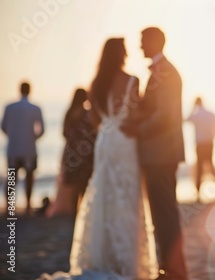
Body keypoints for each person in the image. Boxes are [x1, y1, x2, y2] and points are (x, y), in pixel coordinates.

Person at [41, 38, 159, 280]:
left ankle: (103, 255)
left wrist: (109, 124)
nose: (127, 53)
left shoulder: (95, 84)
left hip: (105, 142)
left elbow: (95, 120)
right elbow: (134, 114)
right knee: (127, 195)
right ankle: (126, 259)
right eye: (125, 50)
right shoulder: (132, 80)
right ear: (120, 54)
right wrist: (134, 121)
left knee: (104, 193)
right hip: (125, 141)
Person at [122, 27, 188, 279]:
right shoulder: (161, 71)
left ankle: (174, 270)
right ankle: (170, 267)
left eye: (142, 41)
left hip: (162, 153)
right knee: (162, 213)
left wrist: (136, 128)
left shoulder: (166, 72)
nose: (140, 47)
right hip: (159, 153)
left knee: (165, 213)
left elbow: (165, 116)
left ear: (154, 41)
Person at [46, 89, 97, 217]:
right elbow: (94, 133)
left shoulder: (69, 113)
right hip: (86, 154)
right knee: (84, 183)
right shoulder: (87, 114)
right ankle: (82, 210)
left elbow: (64, 133)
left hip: (71, 153)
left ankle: (75, 210)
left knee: (73, 183)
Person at [2, 82, 44, 215]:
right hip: (29, 148)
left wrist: (12, 135)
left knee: (12, 176)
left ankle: (9, 205)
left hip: (13, 148)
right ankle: (27, 205)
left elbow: (3, 126)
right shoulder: (35, 108)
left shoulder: (9, 107)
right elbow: (41, 130)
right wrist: (33, 138)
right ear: (30, 91)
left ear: (19, 90)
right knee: (29, 176)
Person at [186, 97, 215, 198]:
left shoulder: (196, 115)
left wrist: (193, 108)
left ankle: (198, 192)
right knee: (211, 165)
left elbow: (187, 119)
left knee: (199, 167)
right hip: (209, 142)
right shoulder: (209, 114)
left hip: (200, 144)